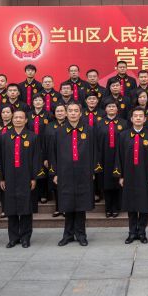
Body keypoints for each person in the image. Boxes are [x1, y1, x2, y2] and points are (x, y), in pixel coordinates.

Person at [50, 102, 101, 246]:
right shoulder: (59, 132)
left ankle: (81, 234)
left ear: (80, 113)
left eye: (75, 111)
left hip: (83, 172)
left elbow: (95, 151)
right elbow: (53, 154)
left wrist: (93, 171)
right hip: (64, 173)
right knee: (67, 204)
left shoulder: (89, 130)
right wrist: (55, 173)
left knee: (81, 205)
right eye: (70, 111)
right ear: (66, 113)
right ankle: (68, 235)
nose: (73, 113)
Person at [114, 107, 148, 244]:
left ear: (145, 119)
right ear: (131, 119)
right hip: (128, 175)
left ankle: (142, 232)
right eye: (136, 116)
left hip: (145, 176)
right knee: (131, 205)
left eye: (141, 116)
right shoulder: (123, 135)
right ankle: (132, 232)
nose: (138, 118)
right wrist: (120, 176)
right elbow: (118, 156)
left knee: (144, 205)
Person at [0, 110, 43, 248]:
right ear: (12, 119)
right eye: (15, 117)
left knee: (26, 208)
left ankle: (25, 237)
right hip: (9, 176)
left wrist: (34, 177)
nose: (18, 119)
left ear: (26, 120)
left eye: (21, 117)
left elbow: (36, 158)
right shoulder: (4, 137)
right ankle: (13, 238)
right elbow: (0, 158)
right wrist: (1, 177)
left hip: (26, 177)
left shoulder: (33, 137)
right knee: (11, 208)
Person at [96, 98, 129, 218]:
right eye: (109, 106)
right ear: (105, 109)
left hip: (119, 156)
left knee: (118, 180)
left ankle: (116, 207)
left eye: (113, 106)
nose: (111, 108)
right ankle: (108, 207)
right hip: (104, 157)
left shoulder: (124, 123)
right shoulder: (99, 123)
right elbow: (96, 141)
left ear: (117, 109)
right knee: (106, 183)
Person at [0, 105, 14, 219]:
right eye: (3, 112)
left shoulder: (15, 127)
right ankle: (4, 209)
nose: (5, 114)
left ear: (12, 114)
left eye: (8, 112)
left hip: (12, 160)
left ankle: (13, 208)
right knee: (2, 184)